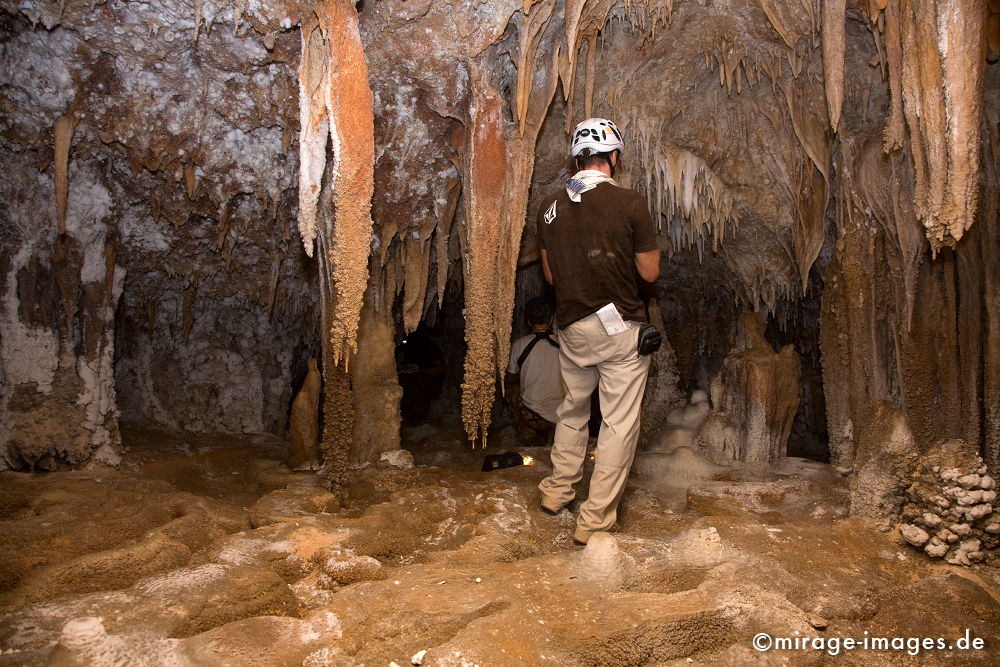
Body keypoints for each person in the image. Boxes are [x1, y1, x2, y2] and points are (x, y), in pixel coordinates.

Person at [536, 117, 660, 545]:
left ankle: (556, 492)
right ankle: (593, 521)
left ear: (577, 157)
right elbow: (650, 270)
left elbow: (550, 277)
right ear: (614, 157)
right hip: (619, 328)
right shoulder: (630, 203)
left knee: (572, 410)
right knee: (617, 423)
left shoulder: (549, 208)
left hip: (571, 327)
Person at [506, 297, 563, 444]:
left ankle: (527, 432)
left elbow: (510, 378)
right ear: (551, 320)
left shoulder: (519, 344)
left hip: (533, 416)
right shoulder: (564, 343)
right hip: (565, 413)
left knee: (509, 388)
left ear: (528, 322)